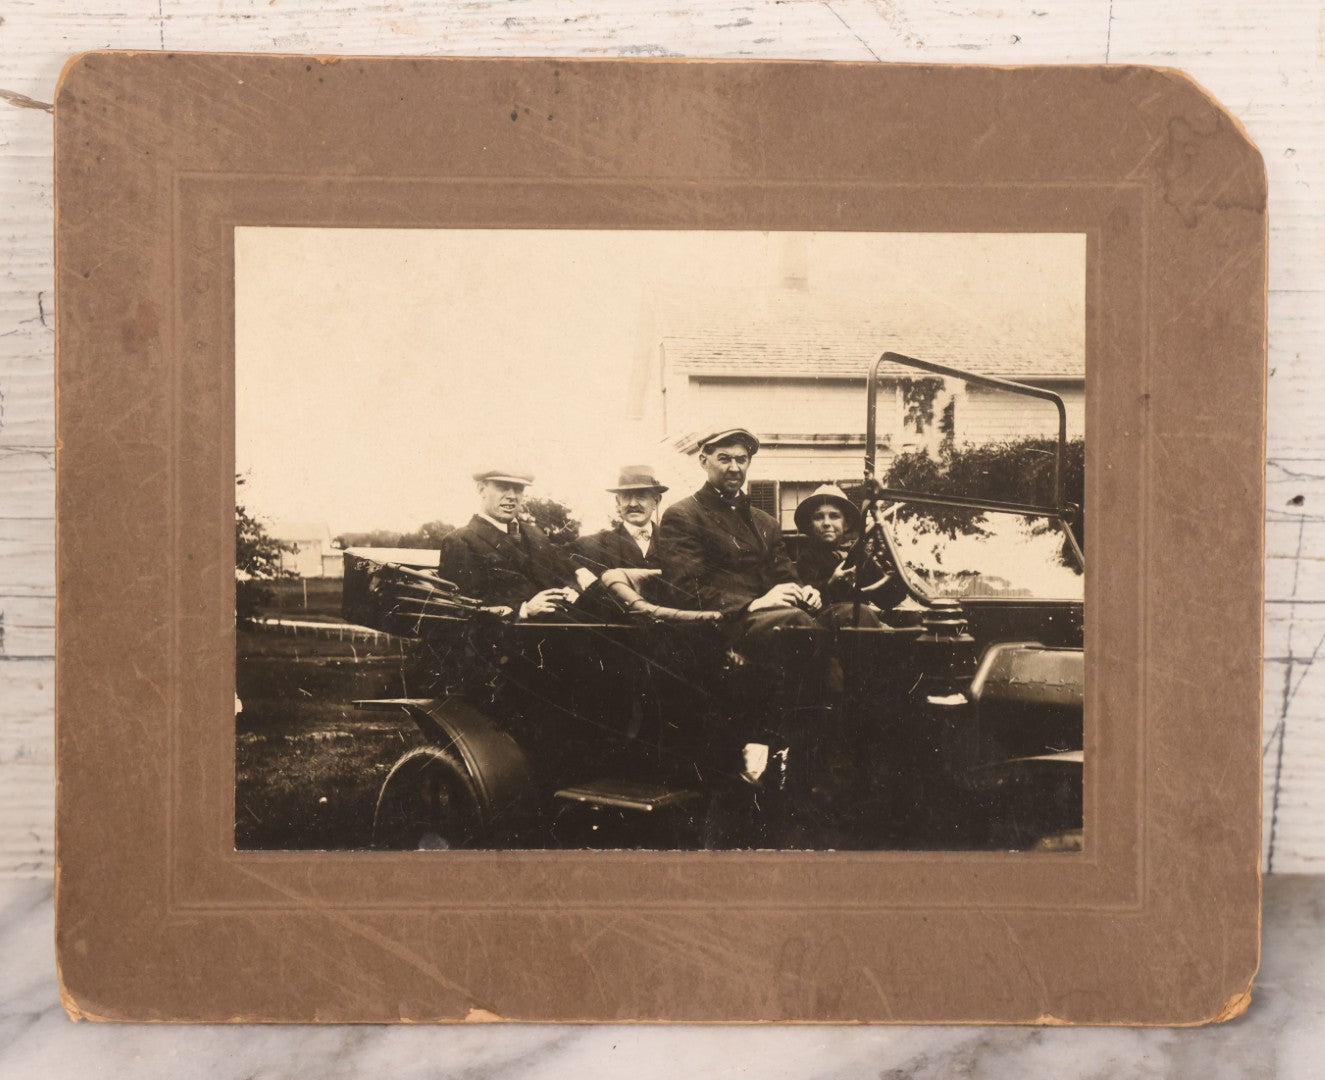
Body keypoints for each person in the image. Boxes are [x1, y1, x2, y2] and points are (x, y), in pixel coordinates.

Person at [437, 467, 580, 619]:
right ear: (481, 489)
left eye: (518, 489)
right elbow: (463, 607)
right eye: (502, 487)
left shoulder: (536, 534)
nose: (512, 496)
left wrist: (570, 590)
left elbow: (561, 576)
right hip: (507, 635)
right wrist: (524, 611)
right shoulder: (460, 540)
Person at [793, 484, 884, 629]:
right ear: (810, 525)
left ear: (846, 524)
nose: (826, 523)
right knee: (861, 614)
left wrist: (885, 566)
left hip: (861, 620)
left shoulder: (857, 554)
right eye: (818, 517)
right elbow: (807, 603)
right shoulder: (807, 558)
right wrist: (833, 582)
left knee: (912, 618)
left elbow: (886, 598)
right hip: (827, 624)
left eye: (834, 516)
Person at [572, 466, 668, 574]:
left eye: (641, 496)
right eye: (626, 497)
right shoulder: (595, 543)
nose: (633, 504)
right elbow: (558, 554)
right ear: (618, 502)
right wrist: (581, 574)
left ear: (656, 501)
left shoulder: (672, 541)